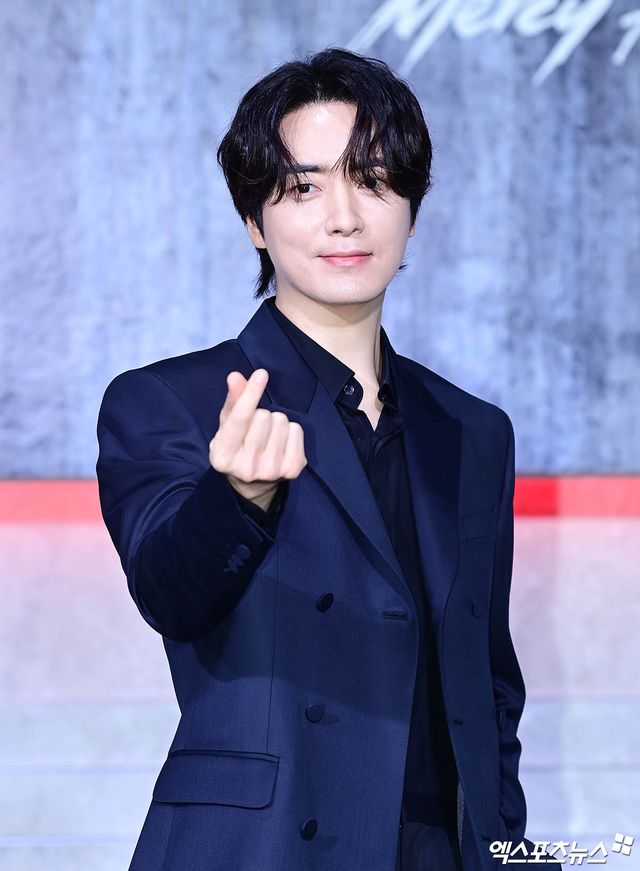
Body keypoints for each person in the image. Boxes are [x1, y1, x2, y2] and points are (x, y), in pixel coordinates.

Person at [96, 47, 537, 871]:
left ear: (411, 209)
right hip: (263, 847)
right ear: (253, 221)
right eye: (304, 188)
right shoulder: (170, 399)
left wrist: (509, 847)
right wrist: (238, 494)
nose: (345, 217)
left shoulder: (474, 431)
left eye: (373, 181)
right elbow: (167, 591)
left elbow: (488, 685)